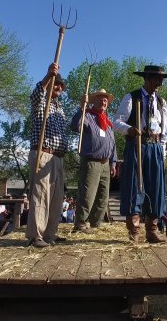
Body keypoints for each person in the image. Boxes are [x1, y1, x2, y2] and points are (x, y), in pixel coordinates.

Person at [114, 65, 167, 243]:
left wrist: (162, 153)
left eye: (161, 79)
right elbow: (116, 122)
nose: (160, 83)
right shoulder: (132, 97)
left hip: (155, 148)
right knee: (135, 186)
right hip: (137, 146)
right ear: (147, 78)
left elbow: (163, 131)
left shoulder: (162, 103)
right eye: (157, 79)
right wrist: (129, 129)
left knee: (156, 188)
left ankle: (152, 230)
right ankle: (134, 231)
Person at [26, 62, 68, 248]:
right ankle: (36, 236)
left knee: (57, 197)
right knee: (41, 195)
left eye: (60, 85)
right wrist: (47, 76)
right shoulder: (41, 102)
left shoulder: (59, 108)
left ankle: (50, 234)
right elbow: (35, 95)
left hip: (58, 157)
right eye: (56, 83)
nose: (58, 87)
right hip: (42, 153)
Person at [70, 89, 117, 233]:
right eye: (99, 99)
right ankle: (80, 224)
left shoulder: (108, 122)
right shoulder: (88, 115)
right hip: (91, 161)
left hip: (105, 164)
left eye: (105, 99)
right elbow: (74, 126)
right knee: (88, 194)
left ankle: (96, 223)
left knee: (103, 196)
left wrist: (113, 163)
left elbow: (112, 144)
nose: (103, 101)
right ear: (93, 101)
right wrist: (82, 108)